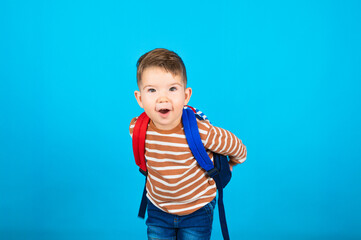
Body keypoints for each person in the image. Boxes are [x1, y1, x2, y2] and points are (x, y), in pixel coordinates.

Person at [129, 48, 247, 240]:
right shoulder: (138, 128)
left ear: (186, 95)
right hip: (158, 208)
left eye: (172, 88)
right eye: (152, 90)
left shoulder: (201, 132)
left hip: (197, 210)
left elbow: (237, 146)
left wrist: (233, 163)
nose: (163, 98)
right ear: (140, 99)